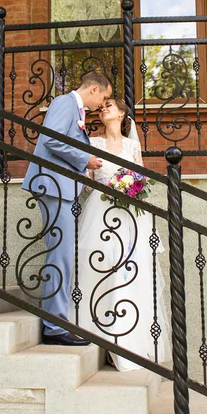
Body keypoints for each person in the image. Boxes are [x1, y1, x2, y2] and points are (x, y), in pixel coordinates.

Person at [70, 98, 171, 370]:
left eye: (109, 106)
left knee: (129, 270)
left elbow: (141, 178)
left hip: (129, 215)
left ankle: (126, 339)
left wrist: (130, 189)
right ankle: (96, 332)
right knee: (99, 265)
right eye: (101, 108)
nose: (104, 110)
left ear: (123, 114)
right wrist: (105, 187)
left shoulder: (132, 146)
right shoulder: (93, 143)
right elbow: (87, 182)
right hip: (99, 211)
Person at [22, 71, 113, 346]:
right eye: (105, 98)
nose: (102, 104)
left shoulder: (76, 109)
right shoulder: (64, 102)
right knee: (60, 255)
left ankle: (56, 322)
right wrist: (85, 158)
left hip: (61, 188)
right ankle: (55, 326)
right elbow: (50, 138)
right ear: (94, 89)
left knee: (61, 254)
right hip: (52, 186)